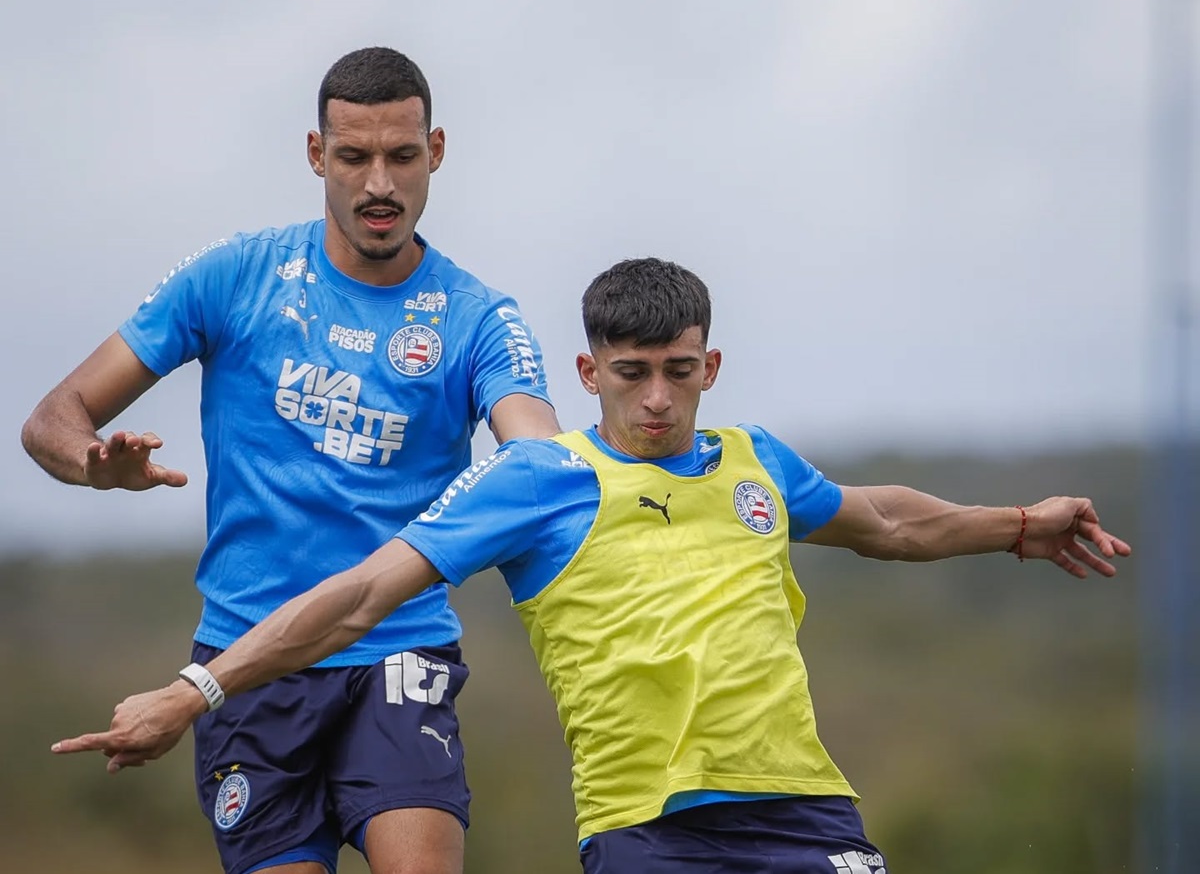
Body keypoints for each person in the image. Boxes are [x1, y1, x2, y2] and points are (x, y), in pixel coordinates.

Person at [52, 257, 1131, 874]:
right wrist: (193, 689)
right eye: (630, 373)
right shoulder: (535, 480)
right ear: (588, 370)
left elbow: (886, 520)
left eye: (676, 371)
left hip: (806, 811)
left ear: (709, 364)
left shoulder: (757, 462)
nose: (656, 397)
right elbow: (358, 598)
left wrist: (1020, 523)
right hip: (647, 830)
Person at [25, 47, 559, 874]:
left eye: (402, 156)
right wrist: (91, 462)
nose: (379, 183)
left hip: (397, 646)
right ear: (317, 155)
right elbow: (53, 418)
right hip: (241, 667)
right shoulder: (235, 277)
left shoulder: (475, 315)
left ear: (437, 151)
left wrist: (537, 469)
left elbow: (536, 447)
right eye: (353, 157)